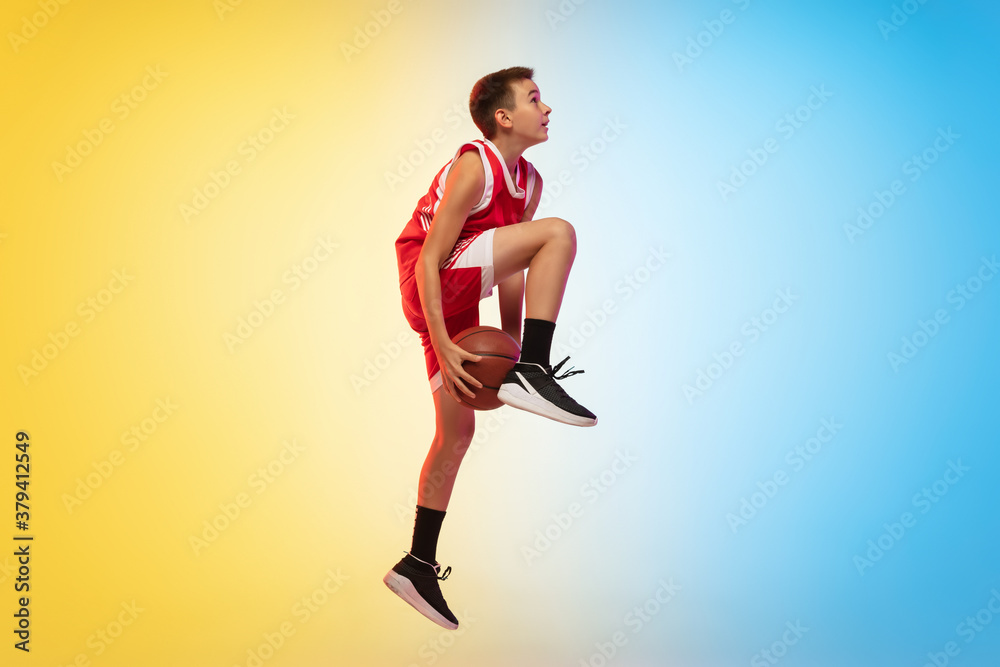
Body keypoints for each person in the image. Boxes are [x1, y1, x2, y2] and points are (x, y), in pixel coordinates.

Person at [384, 66, 597, 630]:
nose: (546, 107)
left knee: (456, 434)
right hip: (429, 282)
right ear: (504, 117)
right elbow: (430, 257)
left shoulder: (530, 181)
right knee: (560, 233)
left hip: (457, 291)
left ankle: (416, 563)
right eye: (534, 98)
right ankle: (536, 366)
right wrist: (507, 359)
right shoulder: (475, 164)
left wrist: (505, 348)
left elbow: (508, 271)